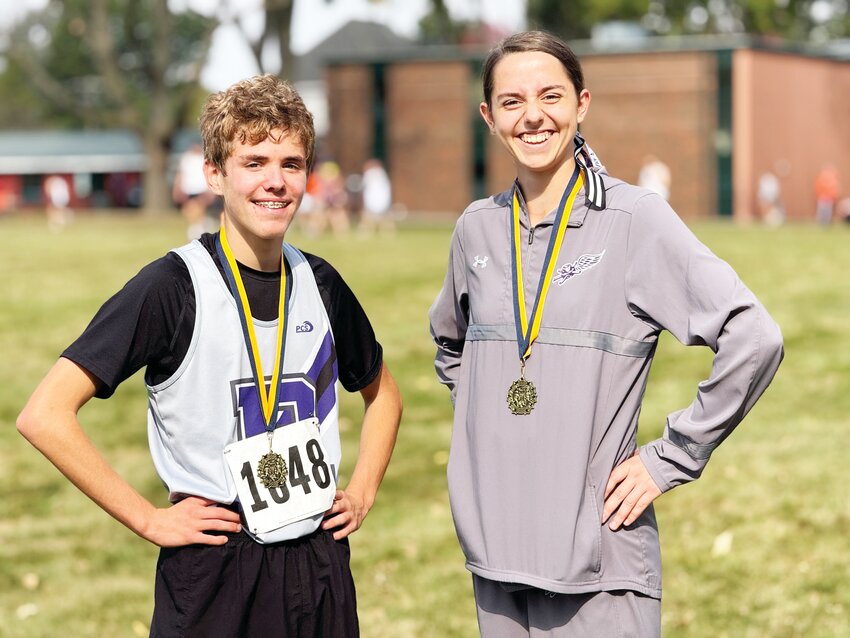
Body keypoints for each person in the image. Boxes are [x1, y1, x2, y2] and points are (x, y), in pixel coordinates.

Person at [17, 74, 402, 637]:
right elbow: (44, 414)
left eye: (291, 164)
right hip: (216, 561)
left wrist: (363, 489)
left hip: (316, 559)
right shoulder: (172, 286)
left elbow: (383, 393)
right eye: (255, 162)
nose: (275, 182)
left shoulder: (321, 283)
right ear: (214, 174)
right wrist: (148, 518)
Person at [428, 31, 783, 637]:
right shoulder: (476, 229)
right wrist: (493, 440)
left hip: (599, 559)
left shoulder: (633, 219)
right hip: (497, 555)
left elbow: (753, 335)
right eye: (512, 102)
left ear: (581, 104)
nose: (533, 115)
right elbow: (450, 348)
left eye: (550, 96)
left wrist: (672, 456)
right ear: (488, 116)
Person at [173, 142, 218, 239]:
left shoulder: (203, 159)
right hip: (189, 189)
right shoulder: (186, 159)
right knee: (189, 210)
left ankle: (199, 228)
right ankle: (199, 227)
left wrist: (209, 189)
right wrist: (178, 188)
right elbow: (181, 173)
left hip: (201, 188)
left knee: (198, 209)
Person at [358, 158, 395, 235]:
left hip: (375, 198)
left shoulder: (371, 173)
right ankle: (387, 232)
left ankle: (367, 232)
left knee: (370, 216)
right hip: (379, 199)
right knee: (378, 216)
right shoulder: (381, 173)